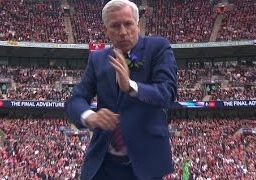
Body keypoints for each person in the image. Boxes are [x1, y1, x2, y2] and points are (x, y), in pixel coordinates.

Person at [65, 0, 177, 179]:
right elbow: (75, 100)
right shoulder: (97, 59)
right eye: (115, 26)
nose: (123, 32)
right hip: (103, 164)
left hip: (144, 165)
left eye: (128, 24)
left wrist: (131, 86)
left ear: (137, 25)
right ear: (106, 30)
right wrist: (90, 116)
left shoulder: (158, 48)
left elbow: (167, 93)